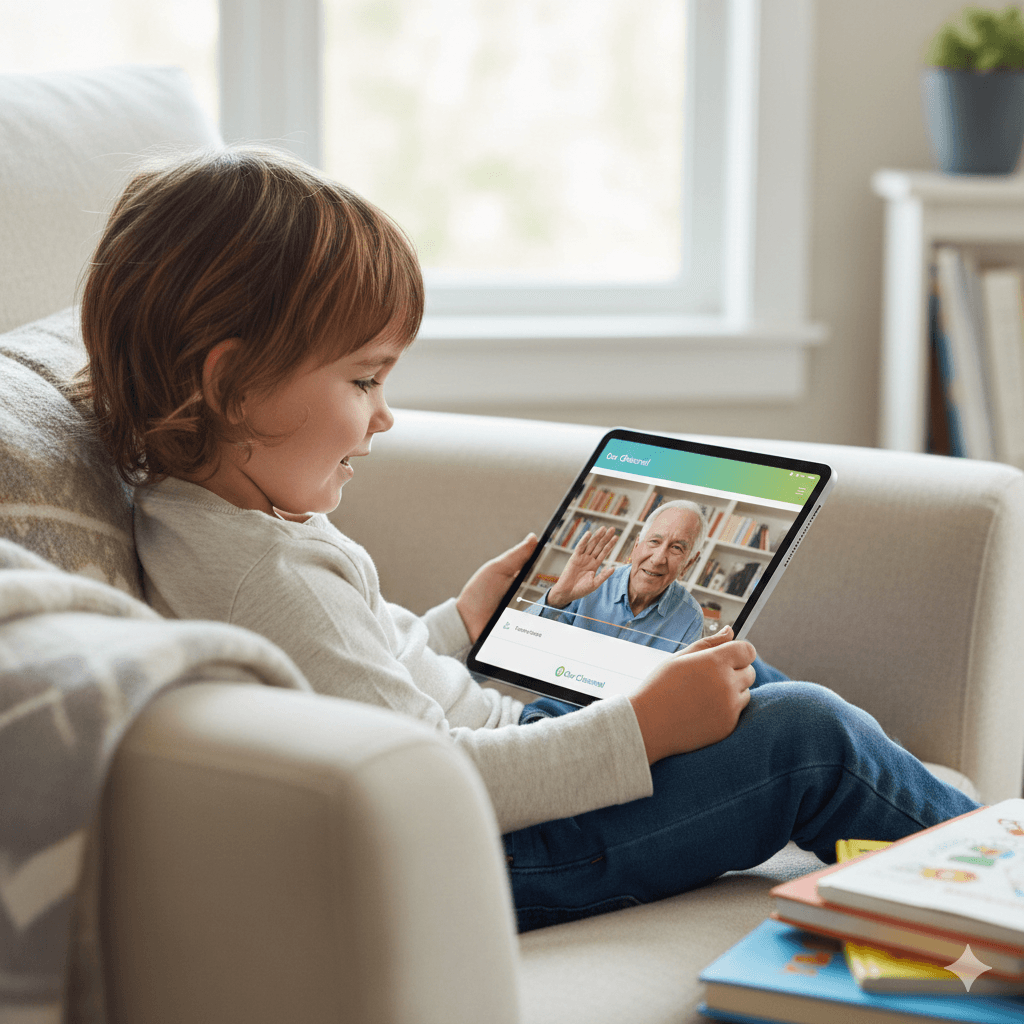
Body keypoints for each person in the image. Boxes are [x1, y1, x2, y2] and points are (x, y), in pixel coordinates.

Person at [75, 146, 980, 934]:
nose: (385, 416)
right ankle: (990, 872)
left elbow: (361, 673)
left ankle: (938, 826)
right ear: (233, 385)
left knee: (733, 676)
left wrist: (460, 623)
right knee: (803, 737)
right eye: (364, 380)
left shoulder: (221, 518)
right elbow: (426, 776)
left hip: (495, 778)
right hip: (482, 848)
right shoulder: (264, 576)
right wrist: (639, 728)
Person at [525, 501, 707, 652]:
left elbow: (677, 682)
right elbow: (522, 640)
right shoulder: (588, 583)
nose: (658, 559)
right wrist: (556, 599)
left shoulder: (691, 618)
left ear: (688, 564)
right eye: (654, 541)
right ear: (636, 546)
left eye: (677, 548)